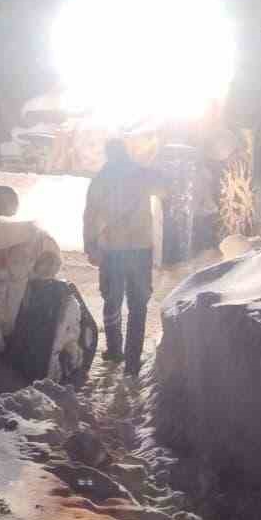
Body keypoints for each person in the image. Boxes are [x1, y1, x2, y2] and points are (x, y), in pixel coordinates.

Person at [83, 139, 165, 376]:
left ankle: (115, 349)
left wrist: (90, 244)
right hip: (140, 249)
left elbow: (90, 215)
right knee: (138, 305)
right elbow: (164, 190)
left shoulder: (100, 180)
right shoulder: (142, 175)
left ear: (108, 155)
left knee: (112, 301)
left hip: (112, 250)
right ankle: (132, 360)